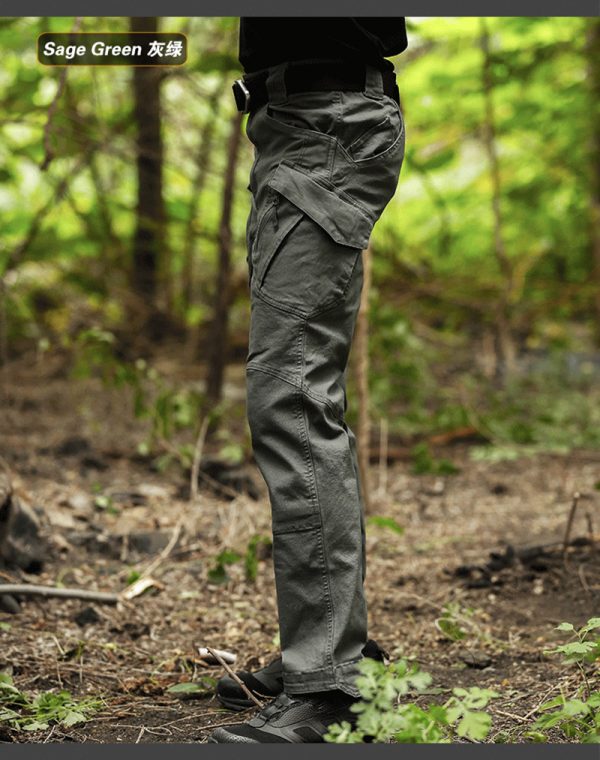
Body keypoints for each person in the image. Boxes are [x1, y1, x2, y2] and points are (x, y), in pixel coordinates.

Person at [209, 17, 408, 744]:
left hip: (325, 123)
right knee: (299, 391)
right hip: (299, 127)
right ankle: (333, 648)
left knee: (291, 398)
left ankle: (330, 684)